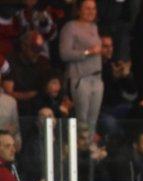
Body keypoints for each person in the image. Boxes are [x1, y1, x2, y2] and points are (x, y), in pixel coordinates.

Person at [59, 0, 104, 139]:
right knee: (82, 121)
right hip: (81, 78)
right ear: (79, 10)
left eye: (94, 8)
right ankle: (78, 153)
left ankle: (88, 152)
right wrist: (87, 52)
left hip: (97, 78)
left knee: (92, 122)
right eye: (87, 8)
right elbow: (64, 53)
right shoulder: (70, 27)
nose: (91, 11)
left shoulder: (94, 27)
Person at [5, 31, 51, 116]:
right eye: (33, 49)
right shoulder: (10, 62)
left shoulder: (43, 63)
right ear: (23, 46)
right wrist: (31, 95)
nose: (36, 53)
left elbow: (48, 90)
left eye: (39, 50)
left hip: (37, 108)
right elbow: (9, 93)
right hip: (15, 108)